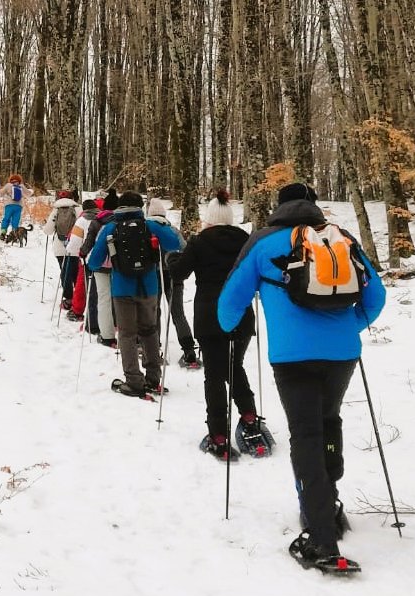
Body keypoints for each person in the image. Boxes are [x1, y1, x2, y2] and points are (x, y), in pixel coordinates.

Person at [217, 182, 386, 567]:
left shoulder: (263, 243)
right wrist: (352, 326)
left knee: (306, 434)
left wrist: (228, 329)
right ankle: (330, 501)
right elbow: (376, 296)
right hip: (342, 353)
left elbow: (231, 300)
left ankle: (320, 534)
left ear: (280, 207)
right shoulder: (340, 238)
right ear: (313, 207)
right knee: (328, 422)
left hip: (292, 356)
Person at [167, 189, 258, 460]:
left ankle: (218, 434)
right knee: (235, 367)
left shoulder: (199, 241)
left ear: (209, 217)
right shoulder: (245, 239)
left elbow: (178, 273)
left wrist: (172, 258)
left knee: (215, 376)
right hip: (241, 313)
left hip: (210, 315)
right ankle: (249, 416)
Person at [87, 191, 182, 397]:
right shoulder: (150, 225)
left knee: (127, 334)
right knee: (149, 331)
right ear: (140, 206)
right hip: (149, 287)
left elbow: (94, 262)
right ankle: (153, 378)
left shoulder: (111, 227)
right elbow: (176, 244)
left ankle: (134, 381)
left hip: (122, 289)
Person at [147, 198, 199, 368]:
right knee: (178, 313)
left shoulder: (146, 229)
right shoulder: (172, 230)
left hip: (153, 274)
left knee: (154, 311)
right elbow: (184, 249)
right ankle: (189, 351)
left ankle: (154, 350)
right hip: (174, 275)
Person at [81, 198, 118, 347]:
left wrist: (83, 253)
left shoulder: (96, 222)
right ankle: (118, 326)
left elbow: (89, 243)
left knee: (103, 299)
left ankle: (107, 335)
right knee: (117, 298)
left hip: (100, 265)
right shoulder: (118, 222)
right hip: (117, 265)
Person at [42, 193, 81, 310]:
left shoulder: (56, 211)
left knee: (65, 271)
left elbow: (48, 231)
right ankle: (79, 298)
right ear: (72, 198)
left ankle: (68, 298)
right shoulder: (78, 209)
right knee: (76, 272)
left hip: (60, 248)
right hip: (75, 246)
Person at [66, 199, 101, 326]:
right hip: (104, 258)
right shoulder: (103, 218)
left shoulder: (82, 220)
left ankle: (77, 311)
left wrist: (72, 251)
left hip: (86, 257)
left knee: (82, 284)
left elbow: (74, 242)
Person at [0, 174, 34, 240]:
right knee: (15, 221)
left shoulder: (8, 185)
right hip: (19, 206)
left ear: (11, 180)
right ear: (19, 180)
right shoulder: (21, 186)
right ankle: (14, 235)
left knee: (6, 219)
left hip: (9, 205)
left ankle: (3, 233)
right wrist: (31, 190)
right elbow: (29, 194)